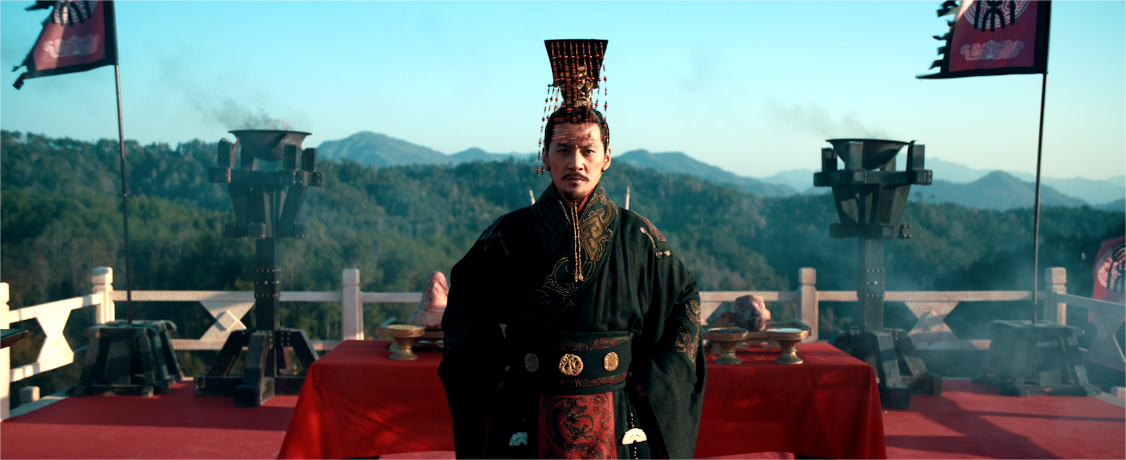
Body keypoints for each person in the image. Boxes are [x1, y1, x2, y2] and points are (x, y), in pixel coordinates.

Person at [439, 39, 705, 459]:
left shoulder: (639, 236)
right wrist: (488, 368)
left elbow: (683, 301)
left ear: (607, 157)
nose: (575, 162)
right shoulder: (506, 234)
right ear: (545, 156)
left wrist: (657, 376)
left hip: (617, 412)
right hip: (526, 407)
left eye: (587, 150)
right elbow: (465, 301)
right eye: (563, 150)